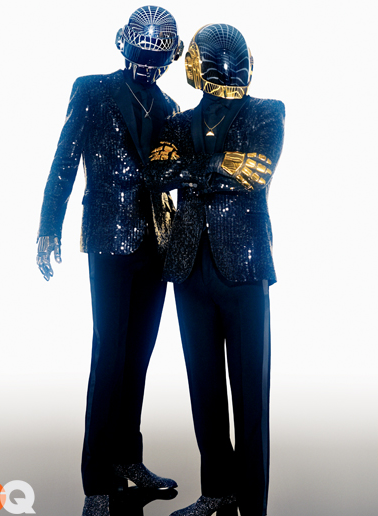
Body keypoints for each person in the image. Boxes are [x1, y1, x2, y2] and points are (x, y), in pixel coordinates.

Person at [36, 6, 183, 516]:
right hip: (107, 237)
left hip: (156, 244)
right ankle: (97, 481)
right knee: (110, 356)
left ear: (170, 58)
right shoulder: (92, 90)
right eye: (142, 55)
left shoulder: (170, 107)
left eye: (158, 59)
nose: (149, 66)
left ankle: (128, 460)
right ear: (124, 45)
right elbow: (64, 160)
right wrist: (48, 227)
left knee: (138, 358)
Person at [145, 23, 285, 516]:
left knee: (250, 398)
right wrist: (220, 165)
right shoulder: (178, 122)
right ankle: (217, 491)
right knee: (204, 391)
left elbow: (257, 173)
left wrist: (193, 168)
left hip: (244, 269)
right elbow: (157, 174)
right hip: (189, 268)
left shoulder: (268, 111)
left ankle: (253, 506)